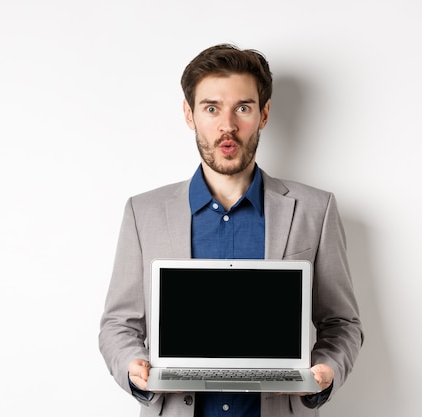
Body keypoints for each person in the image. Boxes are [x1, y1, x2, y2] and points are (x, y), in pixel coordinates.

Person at [99, 43, 363, 417]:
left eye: (243, 107)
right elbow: (117, 324)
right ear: (189, 115)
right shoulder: (144, 213)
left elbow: (341, 323)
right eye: (211, 108)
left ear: (264, 114)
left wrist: (327, 370)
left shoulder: (315, 210)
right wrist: (131, 365)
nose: (227, 125)